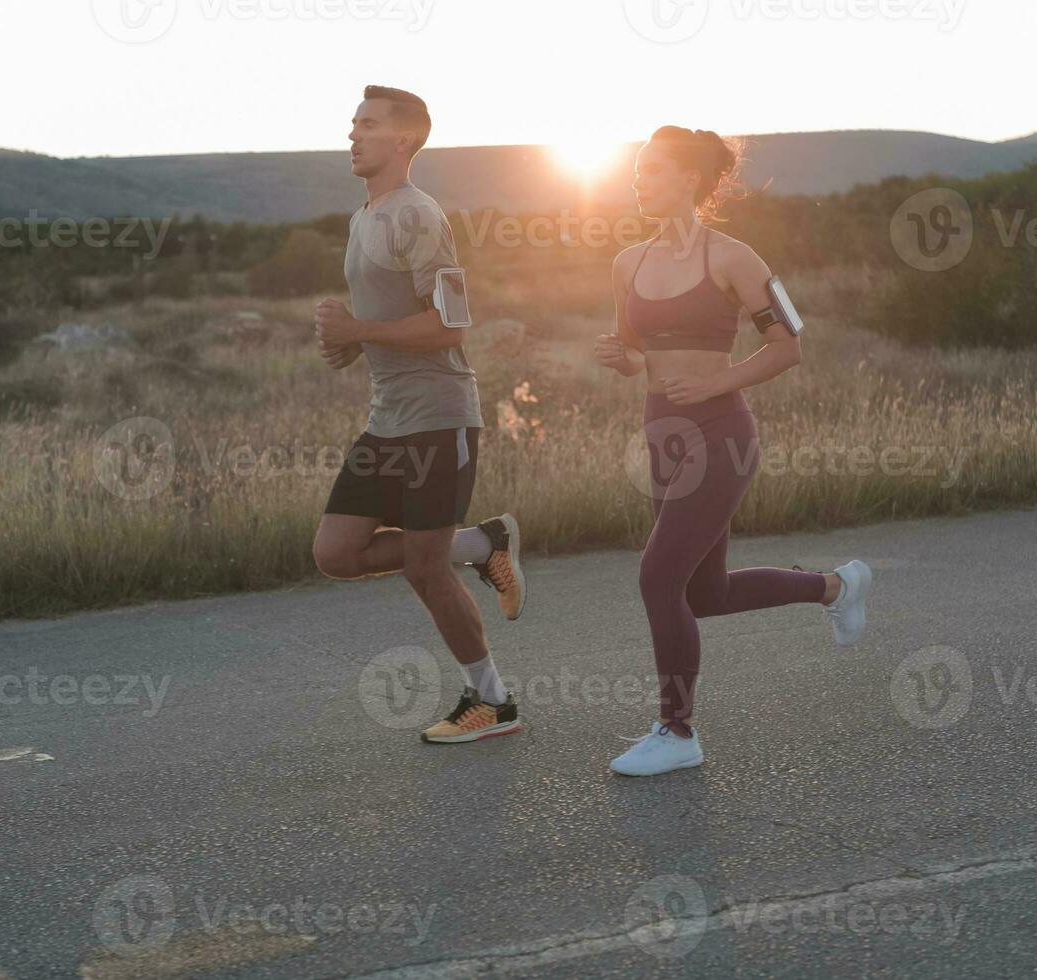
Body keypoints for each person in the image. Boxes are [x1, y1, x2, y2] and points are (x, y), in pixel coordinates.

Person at [594, 126, 872, 776]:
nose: (640, 180)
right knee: (704, 594)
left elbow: (788, 346)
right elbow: (637, 354)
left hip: (721, 437)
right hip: (662, 434)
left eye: (654, 169)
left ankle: (677, 729)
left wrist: (718, 380)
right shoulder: (626, 263)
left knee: (658, 578)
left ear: (690, 179)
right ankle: (835, 586)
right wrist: (623, 360)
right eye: (637, 170)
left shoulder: (734, 257)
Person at [312, 85, 528, 744]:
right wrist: (349, 339)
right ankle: (481, 543)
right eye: (353, 124)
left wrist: (360, 327)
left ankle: (491, 701)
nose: (353, 135)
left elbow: (451, 325)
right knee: (336, 553)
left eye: (368, 125)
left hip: (439, 417)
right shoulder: (364, 215)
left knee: (423, 570)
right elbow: (385, 322)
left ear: (403, 140)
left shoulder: (419, 214)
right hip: (389, 418)